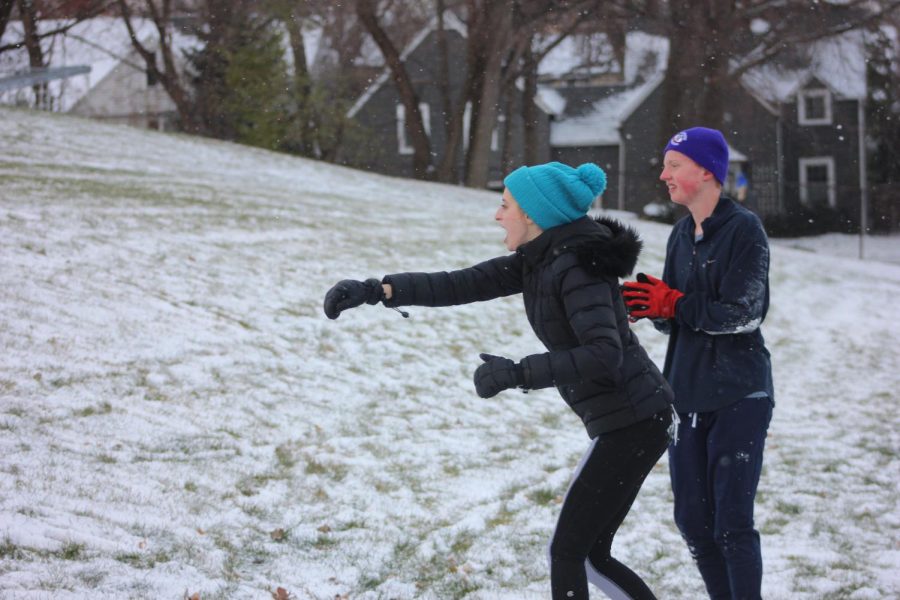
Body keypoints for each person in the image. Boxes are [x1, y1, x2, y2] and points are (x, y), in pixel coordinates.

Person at [324, 161, 674, 600]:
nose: (497, 214)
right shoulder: (541, 259)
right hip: (633, 419)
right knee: (588, 554)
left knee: (570, 553)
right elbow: (461, 284)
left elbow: (605, 354)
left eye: (505, 205)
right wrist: (378, 290)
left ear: (532, 214)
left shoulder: (578, 267)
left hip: (635, 420)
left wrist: (518, 372)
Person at [622, 127, 774, 600]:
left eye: (674, 165)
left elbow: (743, 315)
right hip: (685, 395)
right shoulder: (680, 233)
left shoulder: (744, 230)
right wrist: (652, 309)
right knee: (692, 521)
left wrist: (676, 305)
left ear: (706, 171)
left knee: (731, 524)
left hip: (739, 395)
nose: (664, 175)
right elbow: (676, 318)